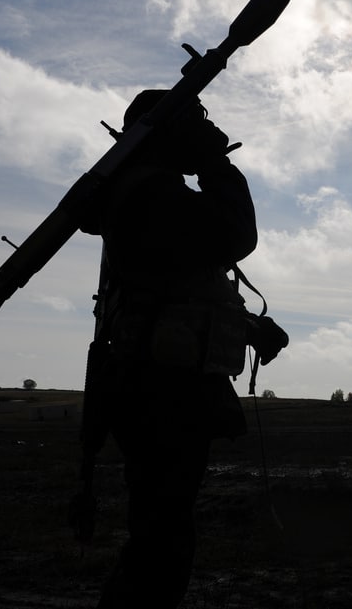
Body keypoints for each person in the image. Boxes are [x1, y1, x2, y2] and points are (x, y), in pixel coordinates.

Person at [82, 89, 256, 608]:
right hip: (165, 392)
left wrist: (250, 328)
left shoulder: (144, 194)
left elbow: (182, 285)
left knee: (161, 534)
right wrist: (215, 163)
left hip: (156, 384)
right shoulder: (153, 195)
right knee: (161, 543)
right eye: (193, 125)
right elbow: (234, 235)